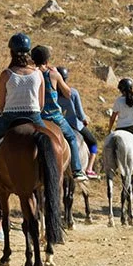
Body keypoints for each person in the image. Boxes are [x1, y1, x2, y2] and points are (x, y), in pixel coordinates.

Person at [0, 33, 46, 193]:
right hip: (34, 117)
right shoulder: (38, 74)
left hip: (10, 117)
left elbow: (0, 105)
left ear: (11, 52)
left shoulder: (6, 75)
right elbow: (41, 105)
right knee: (54, 143)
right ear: (29, 51)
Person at [30, 46, 87, 183]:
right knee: (72, 138)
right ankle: (77, 170)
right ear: (47, 59)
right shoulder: (53, 74)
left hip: (36, 116)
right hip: (54, 116)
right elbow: (68, 93)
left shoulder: (31, 73)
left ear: (33, 59)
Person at [56, 66, 99, 179]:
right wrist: (85, 120)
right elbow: (80, 113)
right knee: (93, 143)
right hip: (75, 125)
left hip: (58, 125)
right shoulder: (73, 92)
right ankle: (89, 169)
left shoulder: (53, 94)